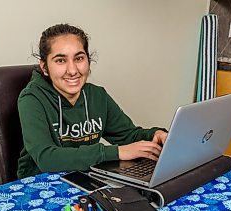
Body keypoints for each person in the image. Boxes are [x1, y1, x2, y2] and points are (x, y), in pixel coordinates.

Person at [17, 24, 168, 179]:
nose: (73, 70)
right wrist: (117, 152)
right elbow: (47, 158)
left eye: (79, 58)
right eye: (60, 60)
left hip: (84, 178)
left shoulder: (97, 95)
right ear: (44, 67)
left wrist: (155, 135)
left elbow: (128, 135)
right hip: (39, 182)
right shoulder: (31, 99)